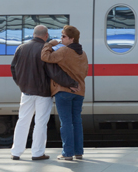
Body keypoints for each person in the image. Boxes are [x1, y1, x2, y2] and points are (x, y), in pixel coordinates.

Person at [9, 25, 78, 161]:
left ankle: (16, 152)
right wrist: (71, 83)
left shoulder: (21, 48)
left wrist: (21, 85)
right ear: (46, 35)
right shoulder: (46, 49)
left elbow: (13, 68)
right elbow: (54, 72)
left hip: (26, 91)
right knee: (40, 122)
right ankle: (37, 153)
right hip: (43, 92)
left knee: (23, 120)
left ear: (34, 34)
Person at [42, 25, 89, 161]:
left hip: (64, 91)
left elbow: (45, 57)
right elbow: (84, 73)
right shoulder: (83, 53)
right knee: (77, 121)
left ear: (71, 39)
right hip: (79, 91)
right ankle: (78, 152)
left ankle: (67, 153)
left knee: (66, 122)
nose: (61, 38)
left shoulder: (64, 51)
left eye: (63, 36)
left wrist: (49, 44)